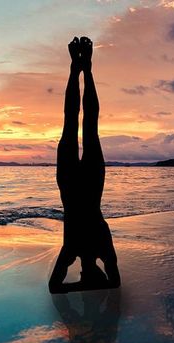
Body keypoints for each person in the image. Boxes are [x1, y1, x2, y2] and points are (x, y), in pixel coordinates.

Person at [49, 37, 120, 294]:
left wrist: (86, 284)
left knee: (83, 125)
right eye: (83, 273)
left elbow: (113, 282)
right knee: (80, 125)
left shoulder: (97, 248)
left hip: (82, 183)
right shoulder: (72, 250)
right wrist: (84, 285)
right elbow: (56, 287)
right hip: (77, 184)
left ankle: (81, 69)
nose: (79, 271)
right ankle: (81, 69)